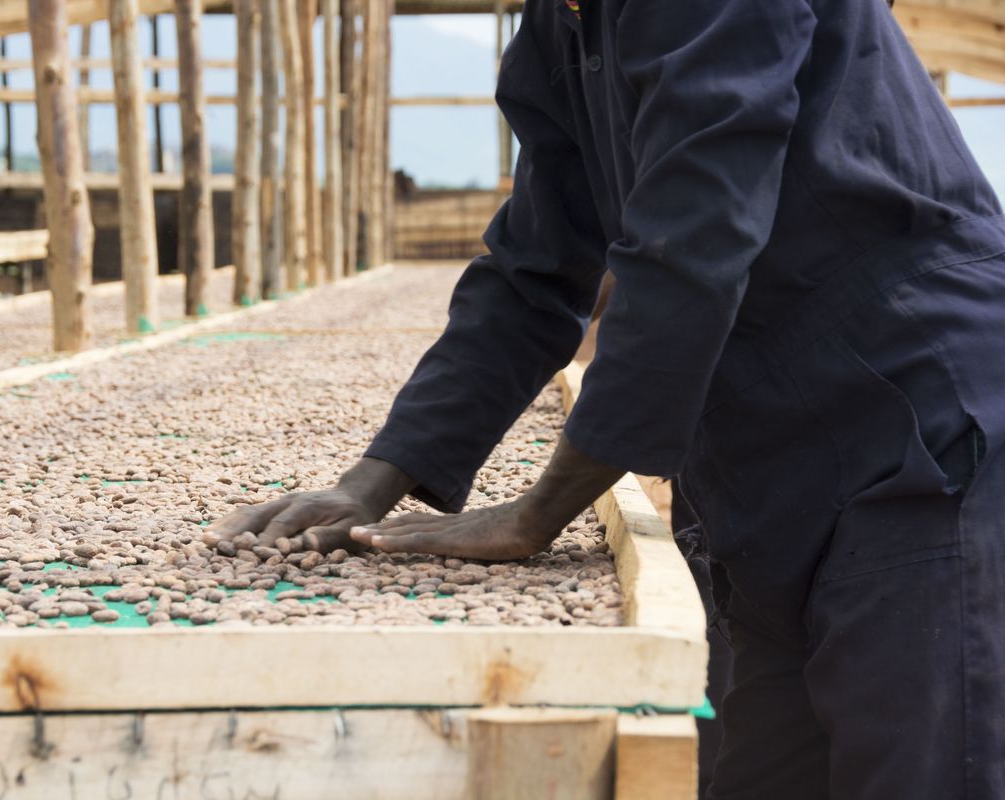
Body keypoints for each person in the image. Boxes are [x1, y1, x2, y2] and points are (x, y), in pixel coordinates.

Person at [212, 0, 1005, 796]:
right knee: (758, 770)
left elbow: (696, 235)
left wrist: (537, 512)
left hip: (914, 429)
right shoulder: (566, 25)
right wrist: (373, 481)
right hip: (763, 464)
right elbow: (535, 263)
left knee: (921, 764)